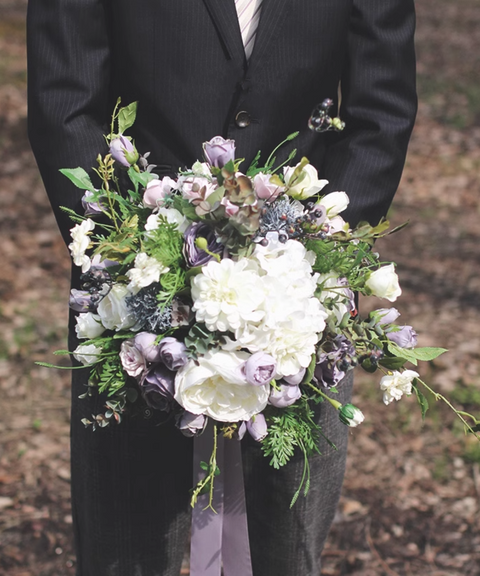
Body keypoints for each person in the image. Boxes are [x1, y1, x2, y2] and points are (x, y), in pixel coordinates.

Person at [26, 1, 417, 575]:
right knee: (126, 548)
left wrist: (319, 259)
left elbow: (382, 109)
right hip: (137, 289)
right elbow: (64, 100)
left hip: (300, 293)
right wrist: (131, 257)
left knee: (284, 548)